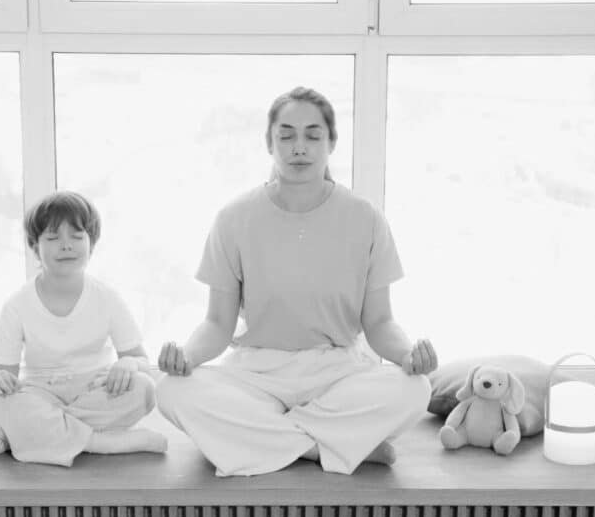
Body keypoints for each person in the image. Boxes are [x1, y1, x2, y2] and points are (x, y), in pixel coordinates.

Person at [156, 87, 437, 477]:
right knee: (171, 390)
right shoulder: (234, 218)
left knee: (415, 389)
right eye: (286, 135)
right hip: (256, 372)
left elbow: (379, 322)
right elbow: (217, 324)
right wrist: (186, 357)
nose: (299, 147)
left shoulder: (365, 218)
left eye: (312, 135)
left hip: (338, 370)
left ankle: (268, 442)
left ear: (331, 142)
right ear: (269, 143)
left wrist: (408, 355)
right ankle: (324, 446)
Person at [0, 191, 167, 466]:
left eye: (76, 237)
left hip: (95, 391)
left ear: (92, 245)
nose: (66, 246)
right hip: (41, 394)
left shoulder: (107, 298)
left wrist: (127, 364)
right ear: (34, 247)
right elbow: (2, 373)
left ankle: (27, 435)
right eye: (53, 238)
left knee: (144, 388)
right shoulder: (17, 305)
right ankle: (100, 442)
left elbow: (141, 361)